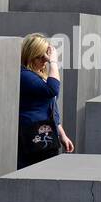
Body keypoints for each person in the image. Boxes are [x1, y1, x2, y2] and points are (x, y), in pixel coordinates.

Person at [17, 32, 74, 169]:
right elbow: (52, 90)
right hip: (32, 137)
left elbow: (52, 107)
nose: (45, 60)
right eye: (40, 56)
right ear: (29, 56)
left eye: (46, 55)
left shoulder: (40, 75)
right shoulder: (24, 75)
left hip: (47, 135)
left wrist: (62, 134)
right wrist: (53, 62)